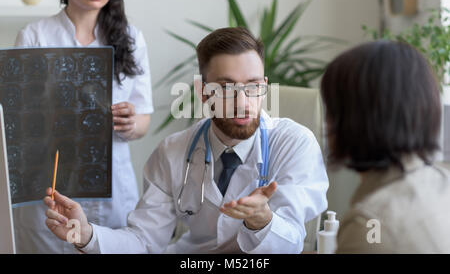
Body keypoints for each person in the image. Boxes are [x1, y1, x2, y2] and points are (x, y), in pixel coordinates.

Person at [43, 27, 328, 253]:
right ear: (203, 93)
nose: (243, 102)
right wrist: (86, 235)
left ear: (264, 87)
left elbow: (291, 244)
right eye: (226, 88)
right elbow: (144, 242)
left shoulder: (294, 144)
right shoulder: (173, 152)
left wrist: (262, 219)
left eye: (252, 86)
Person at [14, 0, 153, 253]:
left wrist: (131, 123)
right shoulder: (34, 36)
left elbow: (143, 120)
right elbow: (17, 116)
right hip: (49, 180)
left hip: (112, 184)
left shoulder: (131, 38)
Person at [320, 40, 450, 253]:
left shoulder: (371, 224)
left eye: (331, 109)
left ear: (355, 120)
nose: (326, 123)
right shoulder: (442, 183)